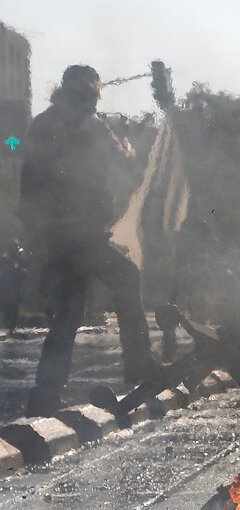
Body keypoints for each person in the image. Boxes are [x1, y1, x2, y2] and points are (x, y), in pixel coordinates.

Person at [18, 65, 157, 416]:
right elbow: (124, 157)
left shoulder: (42, 123)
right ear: (89, 93)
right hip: (81, 236)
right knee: (126, 277)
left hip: (53, 236)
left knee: (67, 314)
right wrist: (127, 136)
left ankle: (45, 395)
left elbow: (21, 153)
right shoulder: (92, 125)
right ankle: (139, 367)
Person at [0, 240, 28, 336]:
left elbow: (23, 273)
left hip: (11, 288)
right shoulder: (6, 259)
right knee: (9, 307)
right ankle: (10, 327)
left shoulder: (17, 259)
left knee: (12, 307)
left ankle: (11, 327)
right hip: (7, 288)